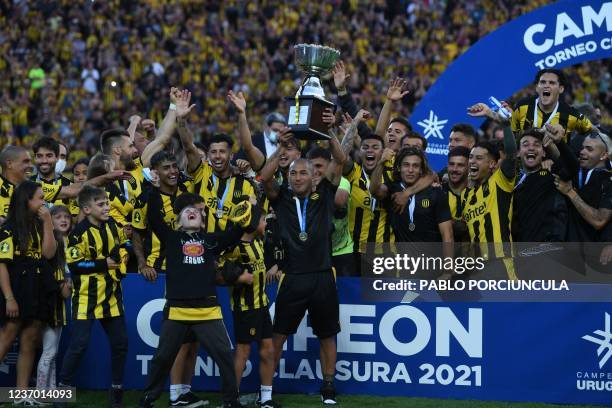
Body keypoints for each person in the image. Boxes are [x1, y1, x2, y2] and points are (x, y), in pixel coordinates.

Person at [138, 193, 260, 408]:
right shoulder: (172, 239)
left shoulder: (210, 241)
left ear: (202, 220)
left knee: (223, 356)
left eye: (195, 211)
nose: (192, 212)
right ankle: (149, 397)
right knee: (162, 358)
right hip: (177, 310)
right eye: (186, 211)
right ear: (178, 221)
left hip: (207, 310)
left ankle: (231, 401)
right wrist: (153, 188)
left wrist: (251, 208)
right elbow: (155, 219)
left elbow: (236, 232)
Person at [263, 126, 345, 404]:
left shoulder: (325, 196)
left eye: (303, 173)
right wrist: (280, 149)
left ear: (314, 176)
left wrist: (331, 131)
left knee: (327, 334)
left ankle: (329, 385)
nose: (297, 177)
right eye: (293, 173)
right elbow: (264, 177)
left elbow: (340, 159)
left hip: (322, 276)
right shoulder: (281, 198)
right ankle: (266, 390)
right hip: (293, 277)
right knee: (278, 336)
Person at [132, 151, 204, 408]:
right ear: (156, 172)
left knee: (193, 339)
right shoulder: (146, 198)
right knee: (176, 340)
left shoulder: (187, 191)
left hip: (191, 268)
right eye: (166, 168)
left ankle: (185, 390)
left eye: (175, 166)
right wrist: (142, 263)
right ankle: (173, 393)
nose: (173, 171)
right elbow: (137, 234)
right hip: (162, 272)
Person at [57, 186, 131, 408]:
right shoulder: (78, 233)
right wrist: (103, 263)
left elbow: (124, 243)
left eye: (107, 203)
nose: (107, 207)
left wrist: (123, 255)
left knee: (121, 344)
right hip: (85, 298)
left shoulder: (112, 225)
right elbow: (75, 264)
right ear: (86, 209)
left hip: (111, 296)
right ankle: (62, 391)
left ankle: (116, 390)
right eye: (101, 204)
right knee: (78, 345)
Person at [0, 181, 56, 402]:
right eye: (40, 198)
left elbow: (49, 254)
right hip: (16, 287)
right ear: (27, 200)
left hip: (38, 286)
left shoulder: (40, 224)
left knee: (30, 339)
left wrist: (49, 222)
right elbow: (1, 264)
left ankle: (21, 395)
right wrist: (9, 298)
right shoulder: (8, 229)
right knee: (7, 337)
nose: (44, 202)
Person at [220, 211, 280, 408]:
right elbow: (222, 270)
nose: (266, 224)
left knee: (268, 350)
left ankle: (266, 398)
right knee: (243, 352)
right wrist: (236, 278)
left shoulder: (259, 242)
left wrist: (275, 267)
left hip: (262, 305)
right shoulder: (236, 249)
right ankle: (232, 399)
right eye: (263, 220)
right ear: (252, 223)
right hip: (245, 308)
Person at [461, 121, 517, 278]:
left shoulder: (499, 182)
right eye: (471, 157)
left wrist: (506, 125)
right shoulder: (466, 195)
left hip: (499, 261)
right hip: (476, 267)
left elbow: (511, 154)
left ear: (492, 164)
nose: (472, 161)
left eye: (479, 158)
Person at [371, 147, 453, 243]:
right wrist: (381, 162)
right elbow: (374, 190)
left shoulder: (435, 192)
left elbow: (447, 236)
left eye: (415, 166)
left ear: (421, 170)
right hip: (401, 257)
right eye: (406, 165)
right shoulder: (393, 190)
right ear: (399, 168)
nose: (410, 170)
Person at [512, 126, 574, 242]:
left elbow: (572, 168)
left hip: (550, 250)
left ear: (544, 152)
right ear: (518, 153)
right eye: (525, 145)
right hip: (521, 251)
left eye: (536, 145)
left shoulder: (552, 173)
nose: (531, 148)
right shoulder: (512, 183)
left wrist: (559, 143)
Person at [36, 205, 72, 391]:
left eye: (67, 216)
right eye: (58, 217)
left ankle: (50, 391)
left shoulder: (67, 241)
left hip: (57, 306)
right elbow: (60, 286)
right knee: (49, 352)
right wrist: (65, 285)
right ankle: (42, 393)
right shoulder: (53, 243)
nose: (64, 219)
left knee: (53, 352)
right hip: (51, 306)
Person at [555, 131, 612, 242]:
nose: (582, 152)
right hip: (566, 249)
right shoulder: (575, 171)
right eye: (582, 148)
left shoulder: (608, 181)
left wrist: (570, 192)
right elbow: (560, 155)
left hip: (594, 252)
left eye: (589, 149)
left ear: (604, 155)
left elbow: (599, 221)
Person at [511, 68, 592, 141]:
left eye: (552, 83)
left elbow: (592, 130)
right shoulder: (521, 106)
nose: (546, 86)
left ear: (561, 89)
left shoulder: (571, 113)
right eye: (543, 82)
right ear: (537, 87)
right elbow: (512, 136)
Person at [0, 146, 33, 221]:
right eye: (26, 161)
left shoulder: (32, 190)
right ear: (9, 164)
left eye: (31, 162)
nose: (31, 166)